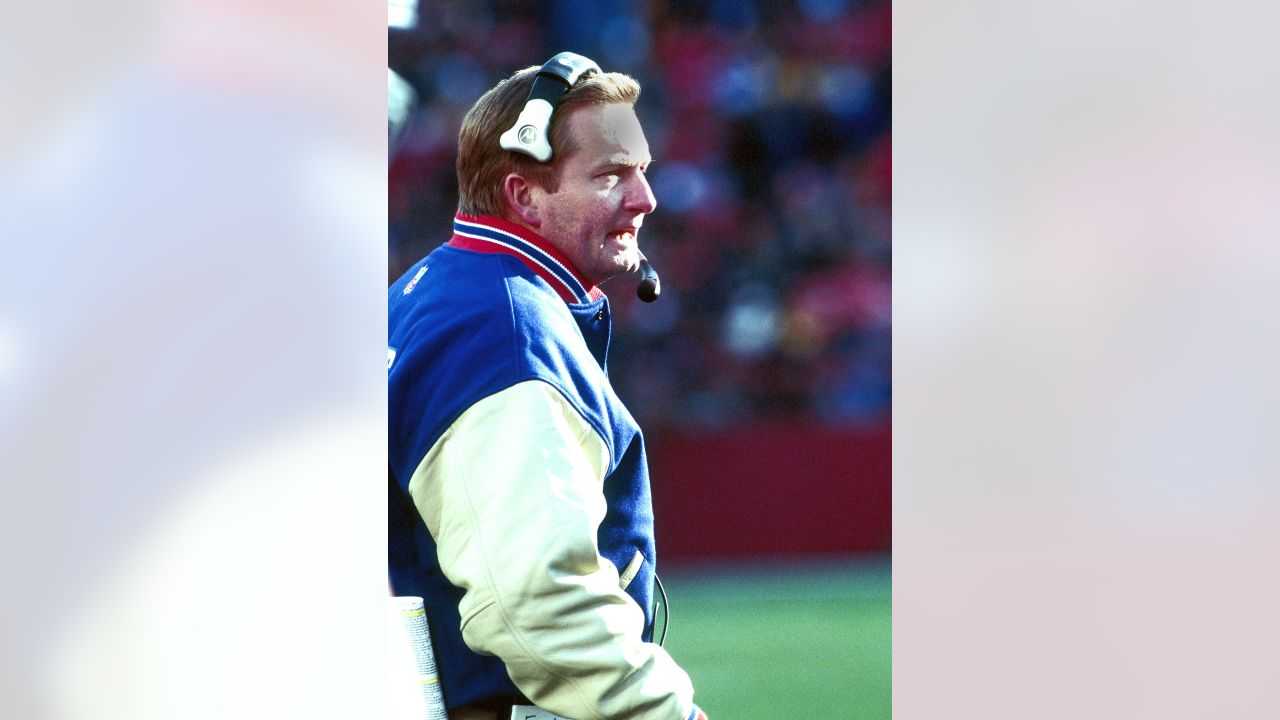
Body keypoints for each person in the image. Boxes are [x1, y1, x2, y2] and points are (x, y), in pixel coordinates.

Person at [388, 56, 706, 720]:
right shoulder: (503, 329)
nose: (646, 199)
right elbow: (537, 602)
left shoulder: (437, 291)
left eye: (643, 171)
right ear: (524, 197)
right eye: (611, 175)